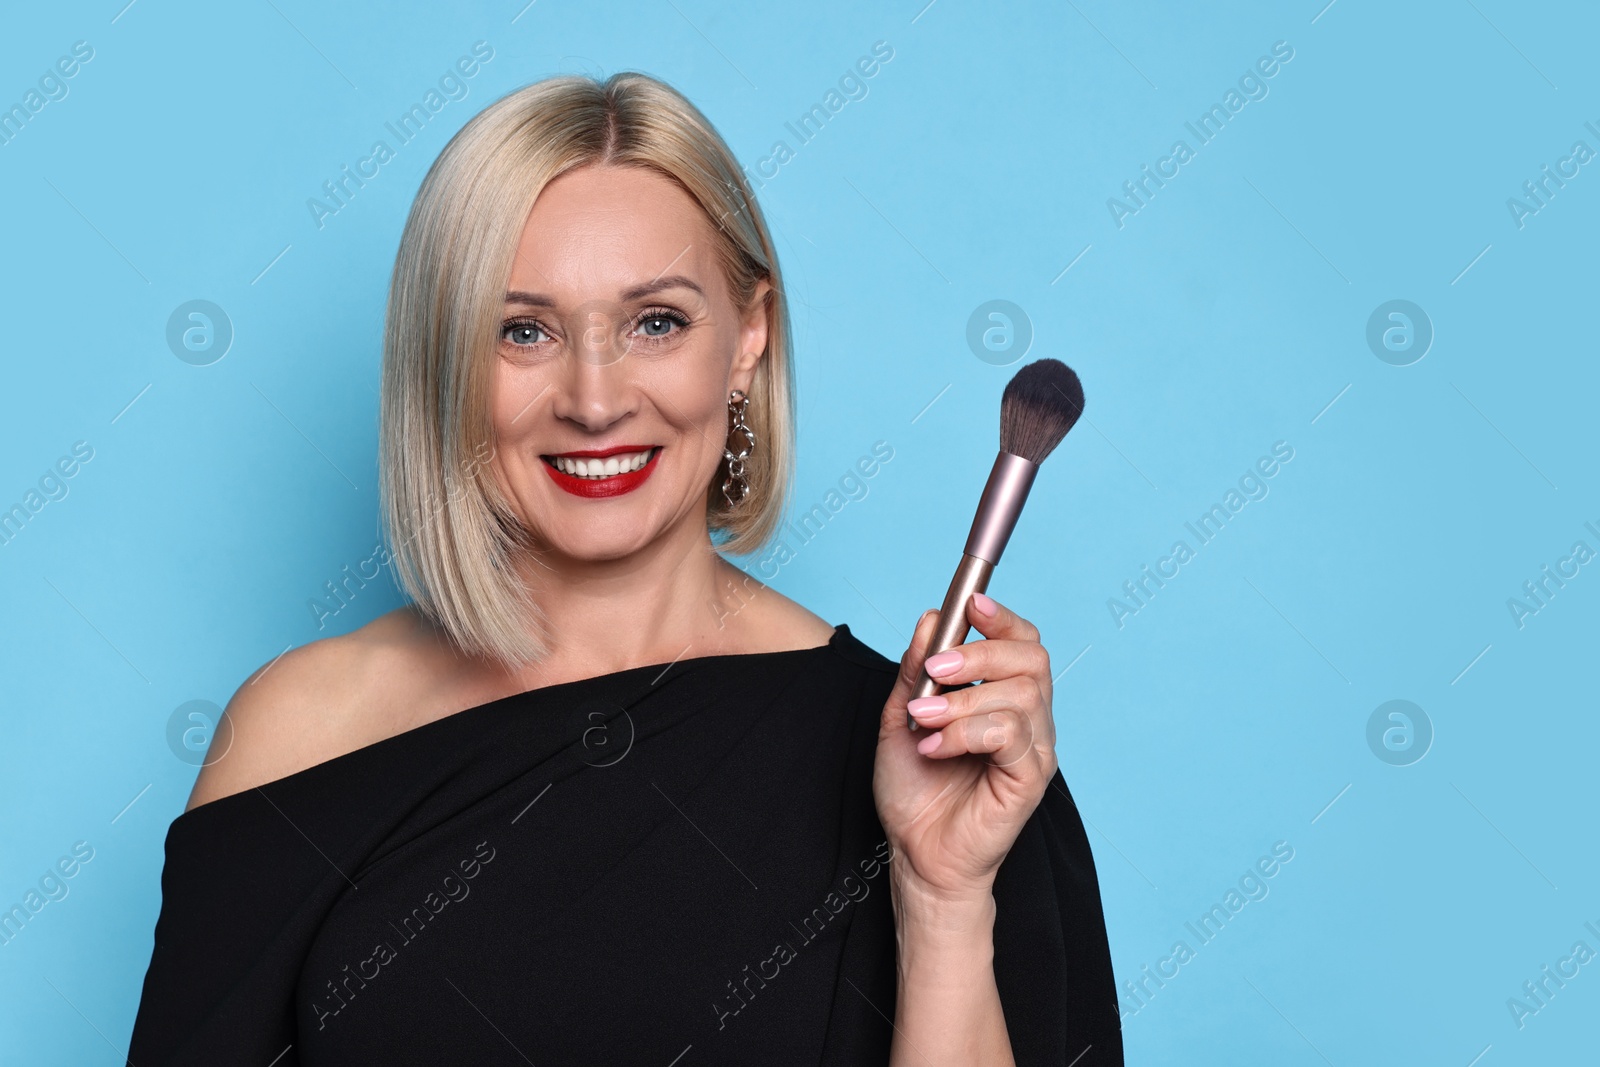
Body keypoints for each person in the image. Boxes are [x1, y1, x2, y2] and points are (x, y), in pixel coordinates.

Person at [126, 72, 1122, 1066]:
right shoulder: (301, 733)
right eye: (522, 329)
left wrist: (942, 898)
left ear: (749, 337)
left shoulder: (944, 758)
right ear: (445, 362)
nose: (594, 400)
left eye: (656, 321)